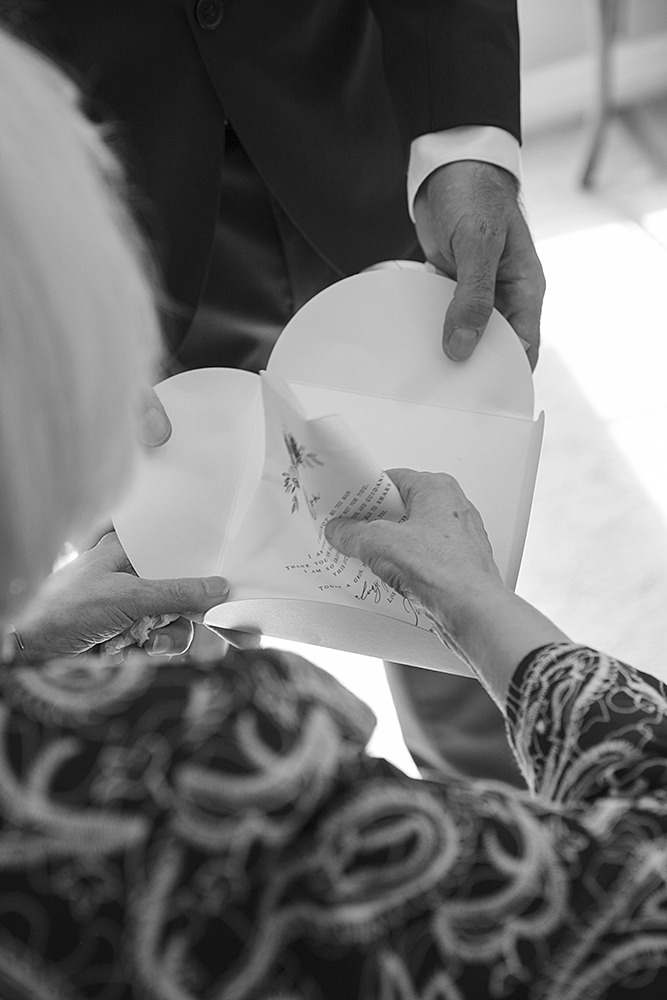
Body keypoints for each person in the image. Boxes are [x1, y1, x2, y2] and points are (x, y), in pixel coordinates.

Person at [3, 28, 667, 999]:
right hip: (119, 193)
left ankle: (481, 785)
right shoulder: (208, 772)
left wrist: (26, 662)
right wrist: (483, 612)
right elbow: (641, 902)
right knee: (316, 556)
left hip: (349, 159)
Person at [6, 0, 544, 784]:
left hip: (368, 156)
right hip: (94, 228)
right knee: (169, 626)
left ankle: (500, 808)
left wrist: (465, 137)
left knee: (441, 549)